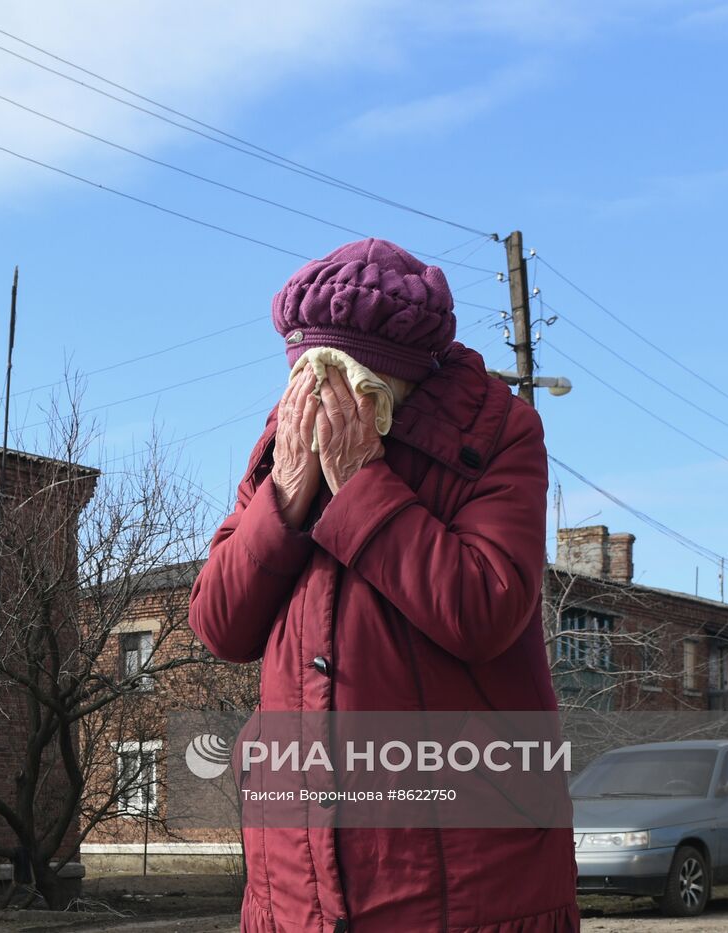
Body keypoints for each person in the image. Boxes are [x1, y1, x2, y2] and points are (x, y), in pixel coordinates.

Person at [188, 238, 579, 931]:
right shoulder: (288, 440)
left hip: (469, 889)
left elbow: (486, 607)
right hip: (296, 893)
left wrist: (363, 485)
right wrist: (282, 499)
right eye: (305, 377)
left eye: (341, 378)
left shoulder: (498, 433)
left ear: (395, 379)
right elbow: (218, 622)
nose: (317, 397)